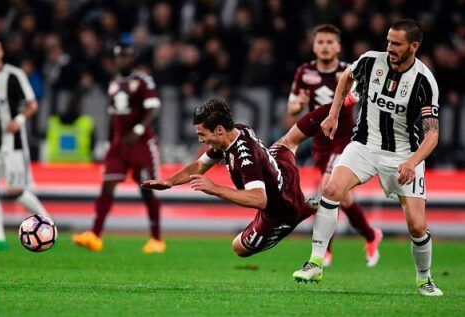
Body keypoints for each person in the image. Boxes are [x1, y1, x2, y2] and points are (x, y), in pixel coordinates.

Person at [291, 19, 443, 296]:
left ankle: (425, 279)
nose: (390, 48)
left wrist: (412, 162)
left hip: (404, 154)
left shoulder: (424, 81)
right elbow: (345, 79)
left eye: (396, 44)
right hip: (364, 145)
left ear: (414, 46)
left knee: (418, 226)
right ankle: (315, 261)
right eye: (388, 41)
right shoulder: (371, 62)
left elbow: (432, 135)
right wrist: (334, 113)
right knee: (332, 189)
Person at [142, 98, 318, 257]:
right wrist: (169, 181)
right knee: (289, 140)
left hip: (280, 208)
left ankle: (304, 210)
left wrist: (215, 189)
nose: (200, 140)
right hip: (283, 173)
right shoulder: (234, 132)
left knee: (238, 248)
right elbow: (199, 165)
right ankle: (336, 107)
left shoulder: (245, 158)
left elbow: (259, 199)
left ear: (219, 130)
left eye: (202, 134)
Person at [285, 24, 382, 267]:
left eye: (330, 42)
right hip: (320, 142)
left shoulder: (348, 72)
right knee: (344, 199)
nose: (325, 46)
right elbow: (292, 108)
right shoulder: (304, 72)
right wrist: (300, 104)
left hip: (345, 139)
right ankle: (371, 235)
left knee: (327, 187)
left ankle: (323, 251)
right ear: (314, 46)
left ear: (338, 46)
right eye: (320, 42)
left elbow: (359, 98)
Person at [72, 43, 164, 254]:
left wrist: (139, 129)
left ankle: (156, 239)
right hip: (119, 145)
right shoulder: (113, 83)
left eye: (126, 56)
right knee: (107, 186)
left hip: (141, 143)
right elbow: (113, 116)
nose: (123, 60)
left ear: (133, 58)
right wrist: (108, 141)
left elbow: (153, 108)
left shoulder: (142, 80)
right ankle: (94, 236)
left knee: (147, 189)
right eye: (119, 57)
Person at [0, 37, 50, 251]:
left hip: (12, 144)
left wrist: (19, 120)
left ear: (2, 52)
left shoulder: (14, 75)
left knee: (15, 191)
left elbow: (32, 104)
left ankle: (48, 223)